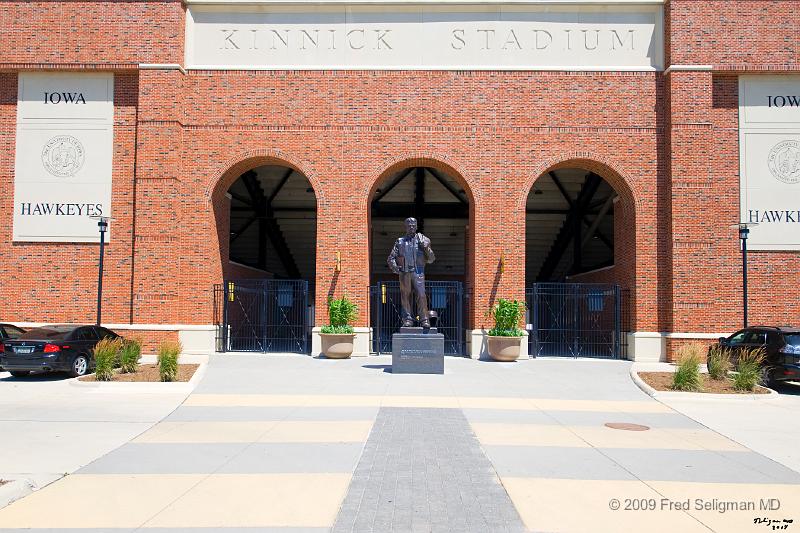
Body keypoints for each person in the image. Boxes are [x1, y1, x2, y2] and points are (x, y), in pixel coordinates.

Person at [387, 217, 435, 328]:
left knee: (421, 295)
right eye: (409, 225)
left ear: (417, 226)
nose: (411, 227)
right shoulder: (400, 241)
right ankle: (408, 319)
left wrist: (426, 248)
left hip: (418, 272)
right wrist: (396, 268)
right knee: (405, 297)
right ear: (406, 227)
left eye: (413, 225)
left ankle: (424, 319)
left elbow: (432, 259)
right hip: (404, 273)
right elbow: (391, 258)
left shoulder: (424, 240)